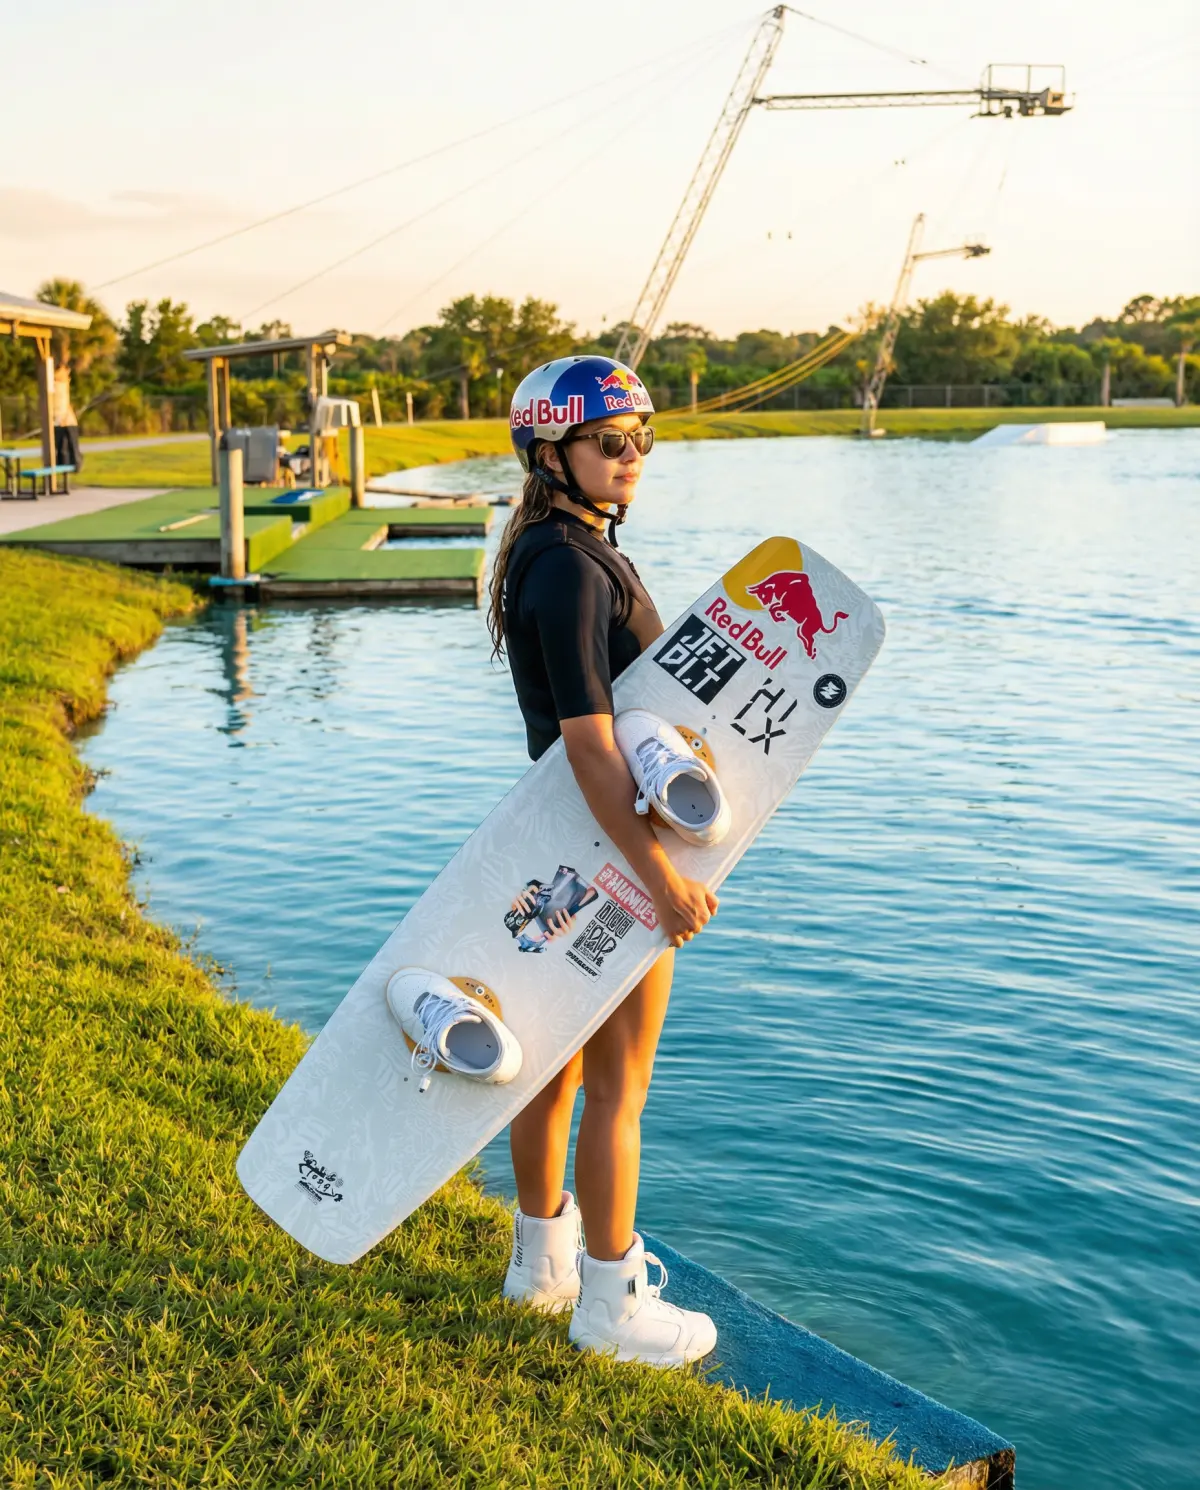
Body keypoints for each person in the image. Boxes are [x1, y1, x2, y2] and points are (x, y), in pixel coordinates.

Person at [487, 355, 719, 1368]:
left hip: (566, 842)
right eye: (610, 441)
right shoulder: (575, 564)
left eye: (643, 439)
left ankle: (542, 1268)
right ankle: (613, 1300)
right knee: (620, 1081)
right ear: (553, 451)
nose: (633, 457)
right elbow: (591, 740)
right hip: (611, 837)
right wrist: (660, 873)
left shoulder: (547, 547)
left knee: (554, 1068)